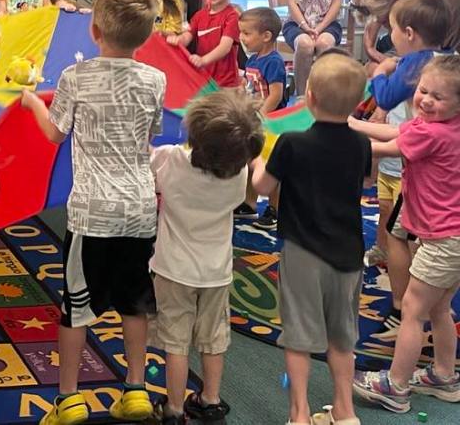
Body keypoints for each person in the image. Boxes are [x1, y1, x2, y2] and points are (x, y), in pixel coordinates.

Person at [21, 0, 165, 425]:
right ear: (145, 36)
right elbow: (149, 134)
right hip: (139, 210)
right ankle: (136, 390)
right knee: (135, 303)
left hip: (92, 213)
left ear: (95, 31)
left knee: (76, 308)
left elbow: (54, 133)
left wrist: (32, 103)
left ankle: (69, 399)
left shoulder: (75, 77)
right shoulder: (155, 79)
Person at [251, 51, 370, 425]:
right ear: (357, 103)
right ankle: (345, 410)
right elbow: (366, 180)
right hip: (349, 253)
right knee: (343, 338)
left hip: (303, 252)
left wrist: (257, 160)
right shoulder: (362, 143)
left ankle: (299, 413)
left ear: (310, 97)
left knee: (299, 336)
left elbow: (261, 187)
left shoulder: (291, 142)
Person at [351, 55, 460, 414]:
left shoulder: (434, 133)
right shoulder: (443, 123)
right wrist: (353, 123)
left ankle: (395, 387)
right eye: (423, 91)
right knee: (439, 306)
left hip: (445, 239)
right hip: (450, 236)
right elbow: (398, 132)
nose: (426, 100)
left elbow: (388, 148)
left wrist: (335, 138)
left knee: (413, 309)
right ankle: (444, 375)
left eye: (438, 97)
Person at [150, 90, 265, 425]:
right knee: (214, 338)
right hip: (216, 272)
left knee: (176, 341)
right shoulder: (239, 175)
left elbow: (148, 163)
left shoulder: (171, 159)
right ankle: (210, 400)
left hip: (172, 270)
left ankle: (174, 408)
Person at [353, 0, 451, 340]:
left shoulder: (414, 63)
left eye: (392, 29)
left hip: (418, 163)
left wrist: (379, 72)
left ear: (409, 33)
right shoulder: (448, 61)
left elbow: (385, 98)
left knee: (399, 234)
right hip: (431, 162)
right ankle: (426, 303)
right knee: (411, 234)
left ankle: (401, 308)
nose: (390, 35)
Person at [238, 7, 288, 229]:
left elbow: (276, 94)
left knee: (270, 167)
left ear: (266, 36)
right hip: (255, 121)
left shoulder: (274, 61)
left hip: (272, 124)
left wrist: (261, 118)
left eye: (247, 33)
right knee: (251, 162)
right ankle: (249, 204)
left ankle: (274, 209)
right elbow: (250, 88)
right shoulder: (253, 60)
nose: (242, 38)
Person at [350, 0, 460, 60]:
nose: (385, 26)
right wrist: (370, 49)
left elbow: (421, 57)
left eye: (385, 22)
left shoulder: (424, 8)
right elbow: (375, 15)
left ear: (397, 1)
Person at [172, 0, 241, 87]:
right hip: (204, 79)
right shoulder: (199, 15)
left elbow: (225, 47)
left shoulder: (232, 16)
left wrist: (203, 60)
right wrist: (178, 40)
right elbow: (188, 35)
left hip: (226, 84)